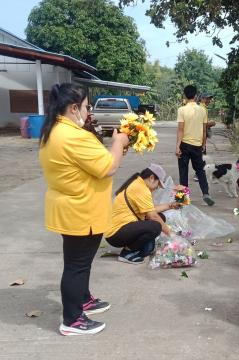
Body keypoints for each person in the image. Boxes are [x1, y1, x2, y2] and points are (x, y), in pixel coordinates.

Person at [39, 83, 129, 336]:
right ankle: (72, 319)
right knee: (76, 265)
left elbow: (93, 163)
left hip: (72, 206)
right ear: (73, 107)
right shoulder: (73, 136)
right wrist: (119, 142)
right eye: (87, 106)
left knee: (80, 261)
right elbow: (108, 166)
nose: (88, 111)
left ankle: (83, 298)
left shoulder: (54, 130)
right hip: (81, 210)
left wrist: (115, 148)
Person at [105, 164, 182, 264]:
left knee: (160, 218)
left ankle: (140, 248)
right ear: (151, 178)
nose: (157, 188)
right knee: (155, 226)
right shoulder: (140, 188)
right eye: (158, 185)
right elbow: (152, 216)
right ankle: (127, 253)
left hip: (123, 228)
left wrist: (170, 205)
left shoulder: (139, 184)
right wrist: (171, 234)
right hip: (115, 234)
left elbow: (151, 210)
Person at [176, 85, 215, 206]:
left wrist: (177, 146)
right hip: (197, 145)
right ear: (196, 95)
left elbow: (181, 130)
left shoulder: (181, 110)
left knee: (183, 171)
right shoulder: (202, 110)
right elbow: (204, 130)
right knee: (200, 170)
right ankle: (206, 193)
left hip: (185, 144)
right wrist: (203, 144)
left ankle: (183, 198)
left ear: (184, 95)